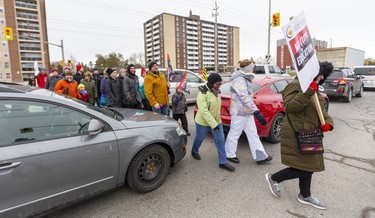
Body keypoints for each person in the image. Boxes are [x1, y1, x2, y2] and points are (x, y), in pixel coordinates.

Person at [265, 62, 334, 210]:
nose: (322, 77)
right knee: (305, 167)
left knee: (309, 165)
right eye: (321, 74)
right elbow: (290, 107)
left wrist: (328, 123)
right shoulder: (296, 85)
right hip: (298, 132)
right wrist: (309, 91)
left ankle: (305, 195)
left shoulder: (315, 90)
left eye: (324, 76)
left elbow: (322, 111)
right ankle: (274, 178)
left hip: (312, 133)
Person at [224, 59, 272, 165]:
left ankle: (260, 156)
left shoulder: (245, 78)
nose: (253, 69)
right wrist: (256, 111)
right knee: (235, 134)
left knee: (253, 134)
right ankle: (229, 154)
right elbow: (244, 96)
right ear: (247, 69)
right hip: (239, 112)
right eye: (252, 67)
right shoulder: (239, 80)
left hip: (247, 112)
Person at [191, 73, 235, 172]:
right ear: (211, 84)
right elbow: (204, 111)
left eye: (220, 83)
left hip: (216, 121)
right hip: (203, 122)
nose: (219, 85)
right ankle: (194, 151)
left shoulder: (216, 91)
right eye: (217, 84)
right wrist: (213, 124)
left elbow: (216, 107)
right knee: (199, 138)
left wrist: (217, 121)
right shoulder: (203, 93)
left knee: (220, 140)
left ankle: (223, 162)